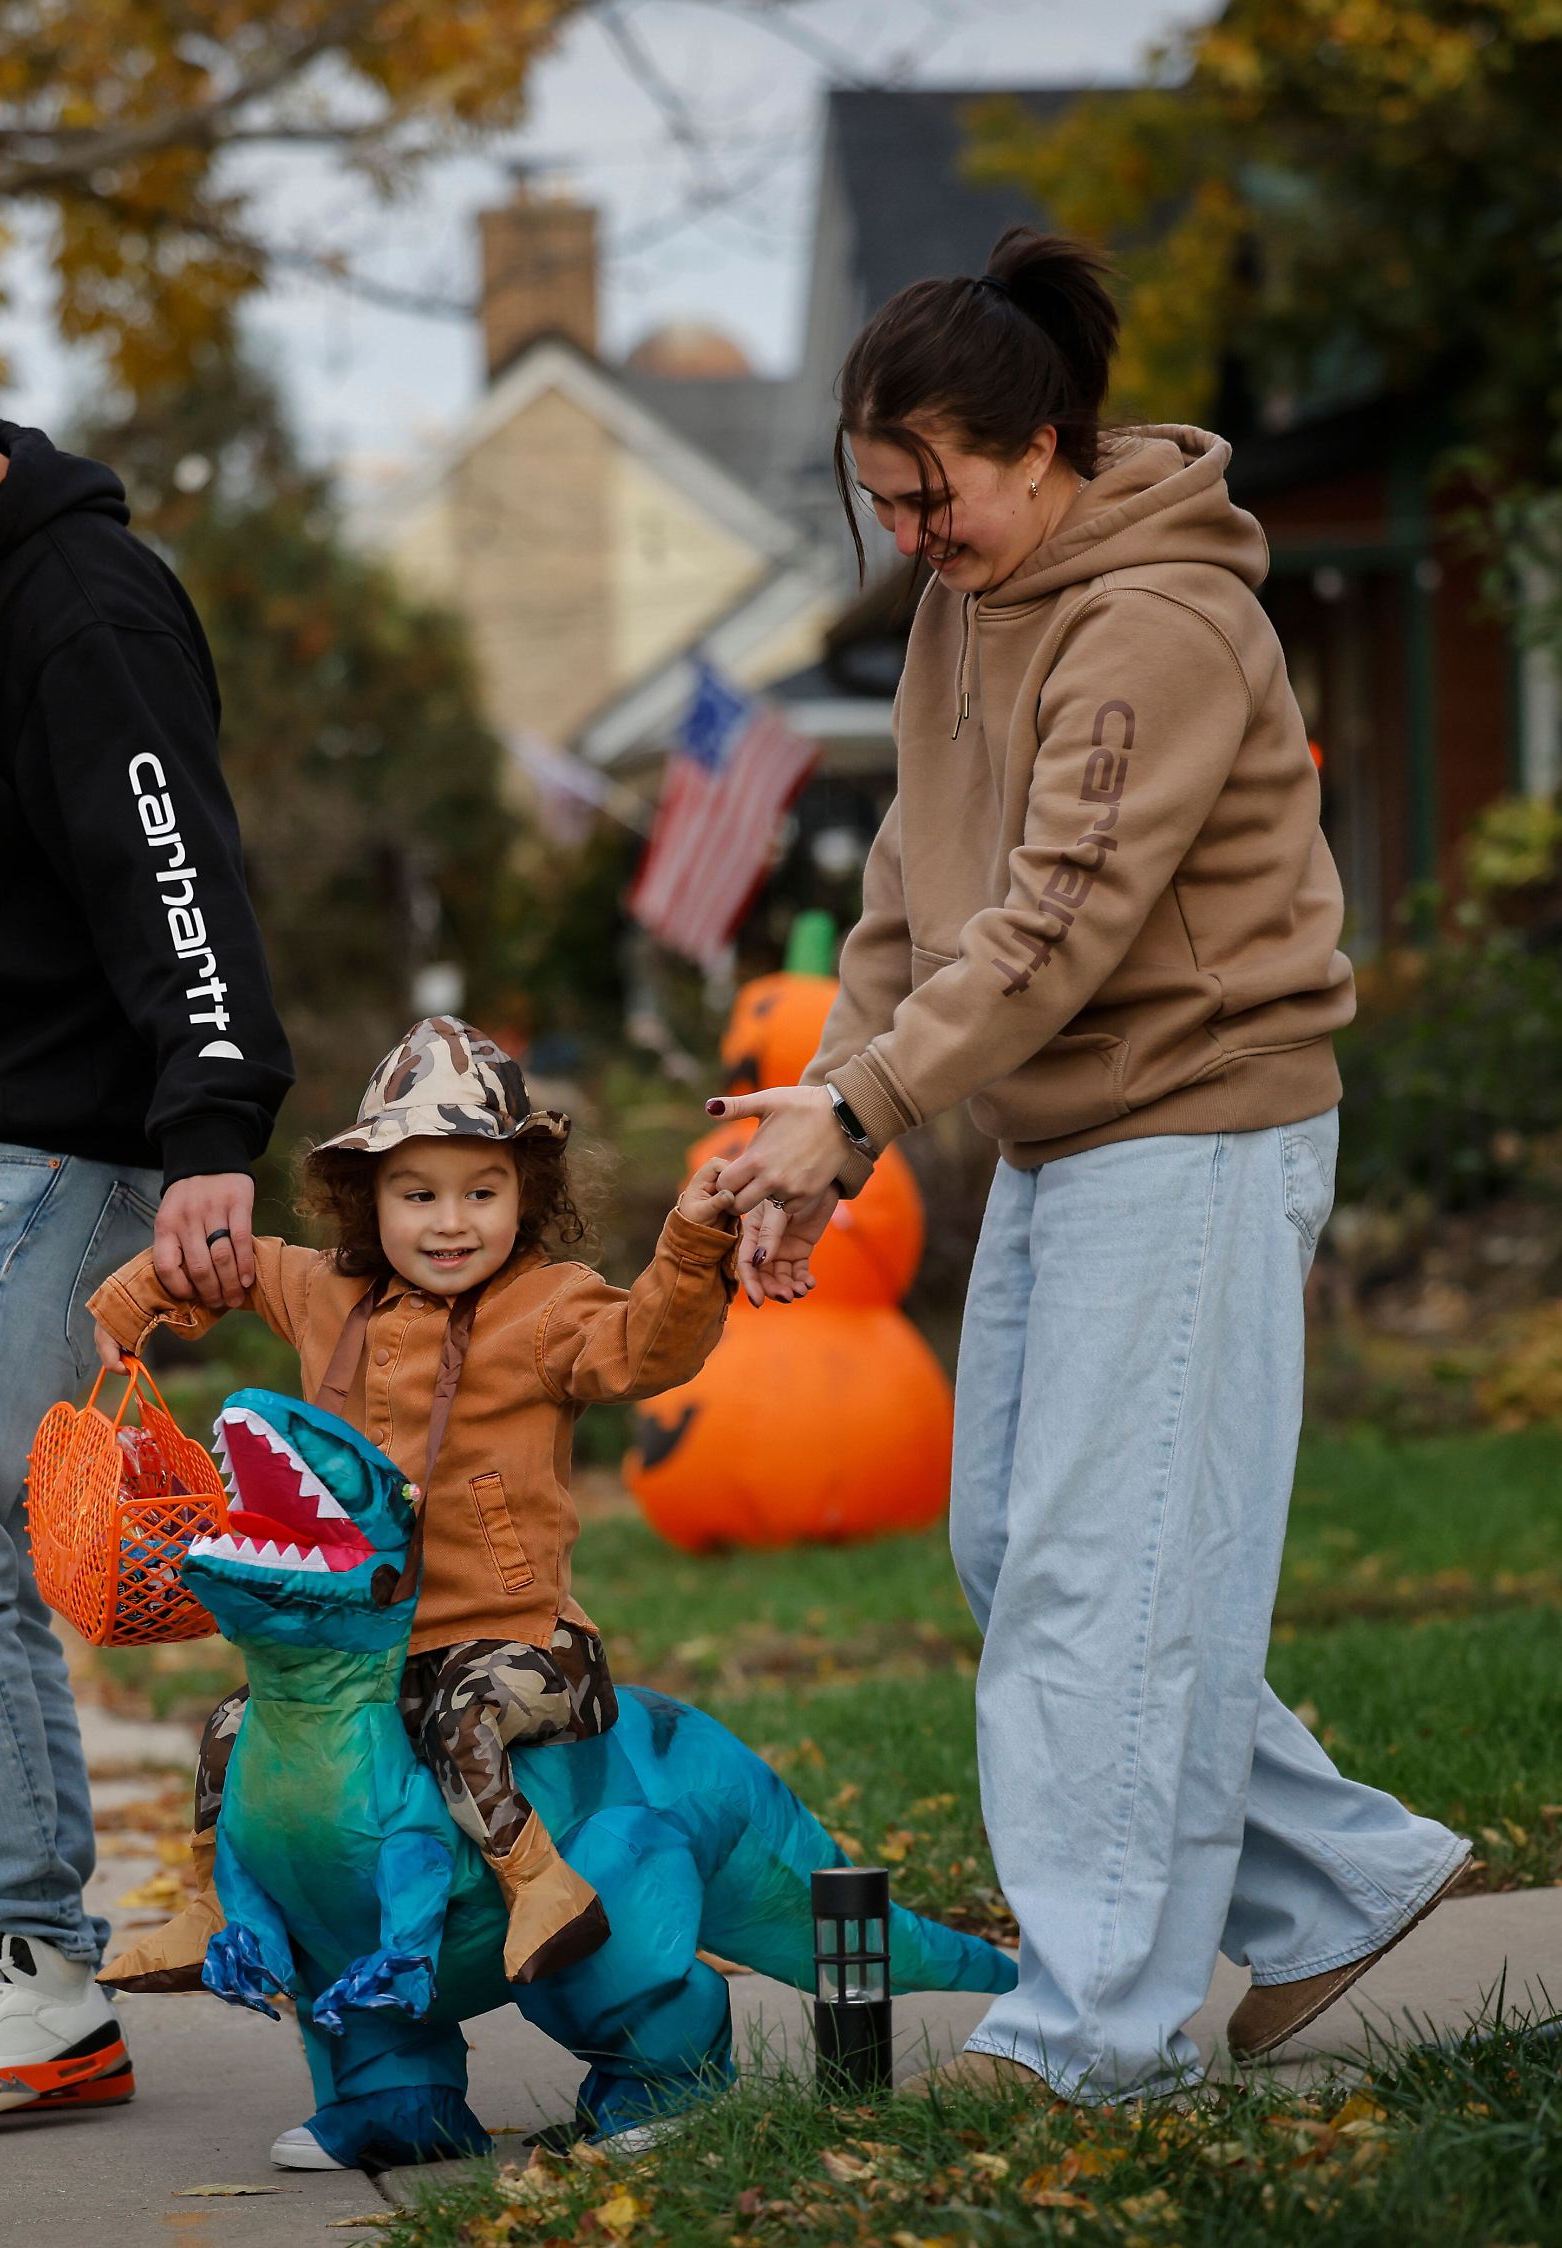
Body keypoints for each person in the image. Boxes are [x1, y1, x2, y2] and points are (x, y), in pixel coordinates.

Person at [708, 226, 1469, 2101]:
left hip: (1200, 1119)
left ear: (1036, 446)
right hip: (1070, 1128)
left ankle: (1105, 2032)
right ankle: (1333, 1883)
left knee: (1097, 1581)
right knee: (1026, 1555)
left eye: (934, 491)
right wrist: (813, 1117)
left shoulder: (1160, 623)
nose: (912, 532)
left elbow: (1057, 924)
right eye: (884, 500)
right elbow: (911, 883)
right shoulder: (971, 607)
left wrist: (865, 1111)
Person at [0, 203, 293, 2131]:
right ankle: (26, 1968)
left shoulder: (79, 604)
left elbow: (178, 879)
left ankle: (24, 1969)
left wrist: (214, 1123)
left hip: (50, 1137)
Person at [87, 1016, 737, 2100]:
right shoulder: (321, 1289)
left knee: (459, 1719)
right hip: (361, 1649)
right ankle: (210, 1904)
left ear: (526, 1193)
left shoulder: (549, 1305)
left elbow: (644, 1346)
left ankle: (541, 1888)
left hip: (518, 1642)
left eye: (481, 1191)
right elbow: (219, 1264)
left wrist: (691, 1246)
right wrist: (130, 1307)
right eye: (418, 1193)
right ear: (367, 1200)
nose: (450, 1222)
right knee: (235, 1730)